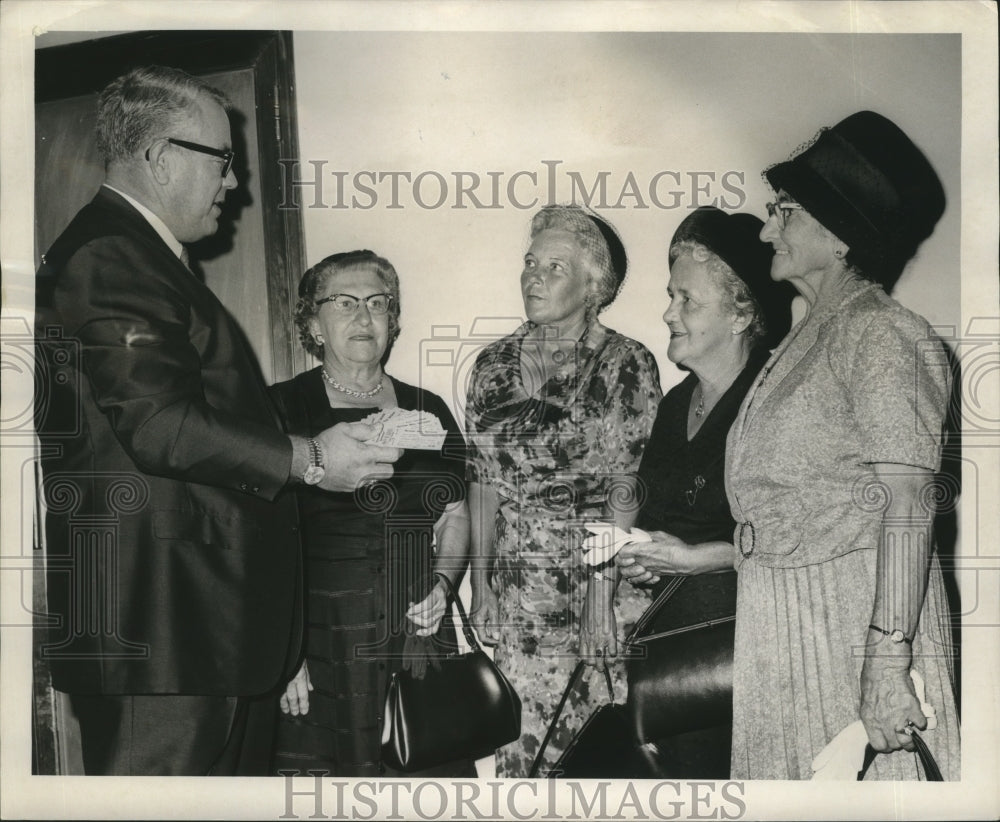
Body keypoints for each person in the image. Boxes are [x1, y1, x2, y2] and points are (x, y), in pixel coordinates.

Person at [33, 66, 401, 776]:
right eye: (224, 162)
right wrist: (313, 460)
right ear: (163, 159)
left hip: (194, 636)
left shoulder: (139, 258)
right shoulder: (110, 255)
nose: (235, 184)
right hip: (165, 641)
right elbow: (159, 424)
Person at [725, 111, 960, 779]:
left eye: (785, 212)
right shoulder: (808, 335)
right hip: (782, 619)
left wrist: (889, 661)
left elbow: (909, 502)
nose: (768, 228)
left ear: (838, 235)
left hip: (850, 619)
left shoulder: (881, 335)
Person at [466, 204, 662, 776]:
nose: (533, 275)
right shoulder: (493, 365)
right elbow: (484, 479)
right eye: (530, 262)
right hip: (517, 597)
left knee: (595, 759)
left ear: (593, 286)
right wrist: (482, 585)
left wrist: (600, 599)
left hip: (592, 591)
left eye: (554, 266)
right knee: (523, 760)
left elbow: (626, 482)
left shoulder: (626, 363)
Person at [268, 250, 475, 777]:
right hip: (320, 643)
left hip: (417, 640)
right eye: (344, 303)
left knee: (429, 790)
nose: (364, 317)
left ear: (393, 320)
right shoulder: (279, 411)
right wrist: (283, 657)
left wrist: (446, 584)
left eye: (378, 303)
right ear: (312, 323)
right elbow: (260, 543)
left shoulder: (428, 410)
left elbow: (454, 513)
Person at [613, 206, 792, 777]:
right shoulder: (673, 405)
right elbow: (661, 516)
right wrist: (647, 557)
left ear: (741, 314)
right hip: (674, 653)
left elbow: (794, 537)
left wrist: (695, 560)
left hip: (747, 656)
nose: (668, 313)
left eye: (686, 300)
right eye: (671, 296)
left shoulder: (774, 402)